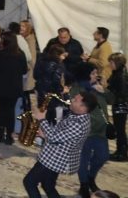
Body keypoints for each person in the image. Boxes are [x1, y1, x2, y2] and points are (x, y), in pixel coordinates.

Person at [22, 92, 97, 198]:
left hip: (55, 159)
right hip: (57, 157)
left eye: (75, 100)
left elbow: (54, 138)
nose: (71, 100)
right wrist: (46, 134)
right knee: (48, 185)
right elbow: (62, 133)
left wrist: (42, 119)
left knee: (29, 182)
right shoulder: (79, 116)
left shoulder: (78, 124)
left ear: (83, 107)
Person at [70, 63, 110, 196]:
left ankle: (91, 177)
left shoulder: (96, 88)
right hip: (85, 132)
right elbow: (78, 110)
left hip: (100, 131)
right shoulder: (78, 90)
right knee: (83, 158)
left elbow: (112, 100)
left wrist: (104, 91)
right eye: (92, 73)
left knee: (103, 156)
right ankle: (84, 184)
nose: (95, 76)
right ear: (85, 75)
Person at [0, 32, 28, 145]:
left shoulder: (0, 54)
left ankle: (1, 133)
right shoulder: (20, 54)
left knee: (2, 110)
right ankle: (9, 135)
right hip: (15, 87)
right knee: (10, 111)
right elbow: (24, 70)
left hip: (1, 86)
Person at [107, 53, 128, 161]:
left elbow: (122, 92)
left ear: (117, 63)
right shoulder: (118, 72)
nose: (109, 64)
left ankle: (122, 152)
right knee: (119, 129)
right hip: (119, 104)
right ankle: (121, 150)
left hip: (121, 105)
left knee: (120, 130)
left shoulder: (121, 75)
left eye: (111, 62)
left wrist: (112, 94)